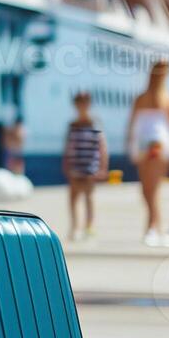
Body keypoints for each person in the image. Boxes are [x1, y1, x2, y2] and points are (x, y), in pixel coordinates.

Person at [127, 59, 169, 246]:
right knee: (148, 189)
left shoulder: (155, 98)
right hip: (152, 144)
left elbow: (134, 125)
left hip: (155, 145)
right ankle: (156, 225)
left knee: (150, 189)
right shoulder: (160, 97)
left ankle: (152, 227)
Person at [62, 92, 107, 241]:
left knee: (89, 196)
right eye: (79, 103)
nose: (82, 106)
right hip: (76, 165)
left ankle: (89, 226)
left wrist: (102, 167)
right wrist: (66, 164)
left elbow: (102, 147)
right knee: (73, 197)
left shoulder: (95, 124)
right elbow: (68, 146)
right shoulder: (72, 125)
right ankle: (74, 226)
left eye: (84, 102)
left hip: (90, 165)